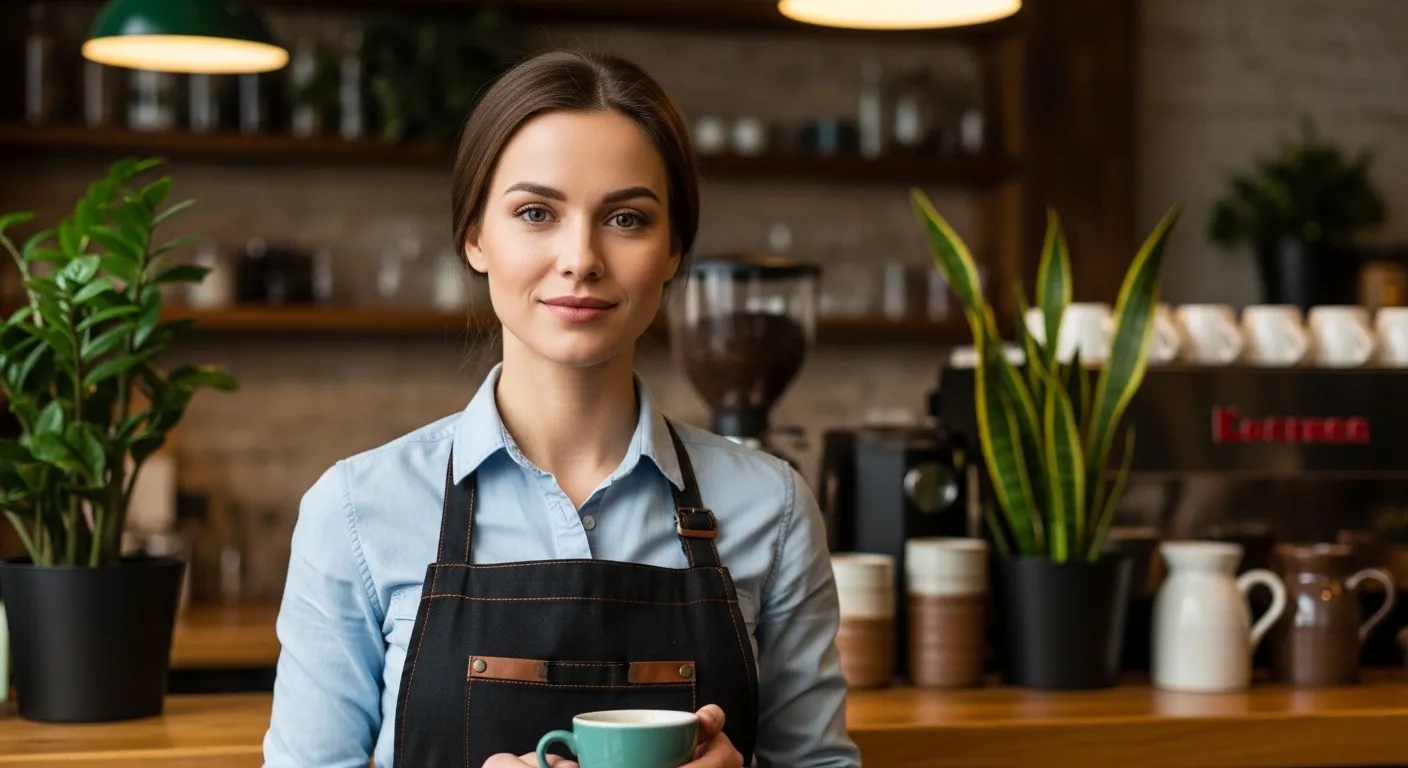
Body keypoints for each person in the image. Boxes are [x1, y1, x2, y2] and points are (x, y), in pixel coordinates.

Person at [262, 48, 861, 768]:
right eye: (536, 212)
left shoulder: (774, 509)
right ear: (475, 237)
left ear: (674, 250)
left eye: (628, 219)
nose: (581, 257)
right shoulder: (356, 511)